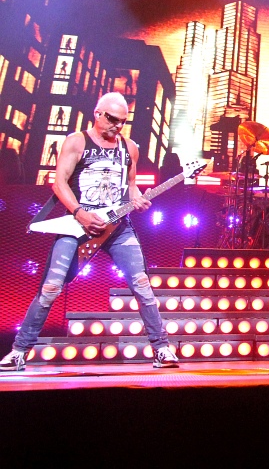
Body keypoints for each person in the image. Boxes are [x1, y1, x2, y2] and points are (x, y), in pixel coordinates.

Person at [0, 93, 179, 371]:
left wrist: (138, 198)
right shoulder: (77, 141)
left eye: (123, 121)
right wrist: (79, 213)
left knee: (142, 285)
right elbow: (59, 183)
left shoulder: (129, 147)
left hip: (118, 227)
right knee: (50, 288)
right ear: (98, 113)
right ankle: (19, 351)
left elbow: (131, 185)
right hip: (77, 225)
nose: (118, 126)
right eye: (113, 119)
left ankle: (162, 349)